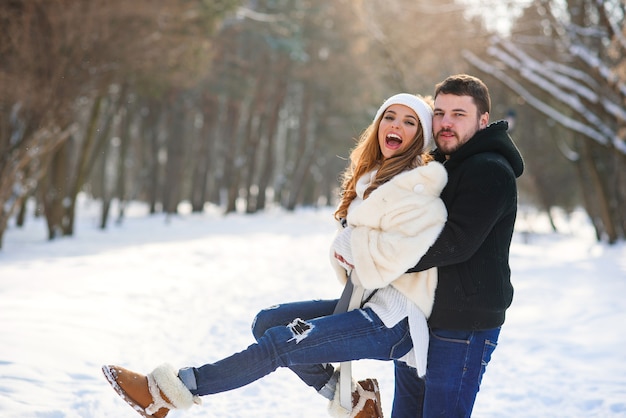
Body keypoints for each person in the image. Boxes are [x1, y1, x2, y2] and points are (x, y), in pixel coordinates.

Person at [102, 93, 449, 418]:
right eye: (390, 117)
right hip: (367, 303)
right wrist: (352, 247)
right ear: (377, 127)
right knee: (268, 322)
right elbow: (356, 254)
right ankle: (357, 402)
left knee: (282, 344)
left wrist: (349, 245)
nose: (396, 126)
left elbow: (384, 262)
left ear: (420, 137)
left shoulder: (416, 189)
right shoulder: (371, 180)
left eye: (409, 122)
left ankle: (170, 391)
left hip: (395, 320)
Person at [391, 74, 525, 417]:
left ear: (482, 121)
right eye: (440, 113)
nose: (445, 123)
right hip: (423, 316)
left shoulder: (490, 169)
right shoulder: (442, 165)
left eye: (458, 114)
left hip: (464, 325)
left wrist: (385, 256)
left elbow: (456, 241)